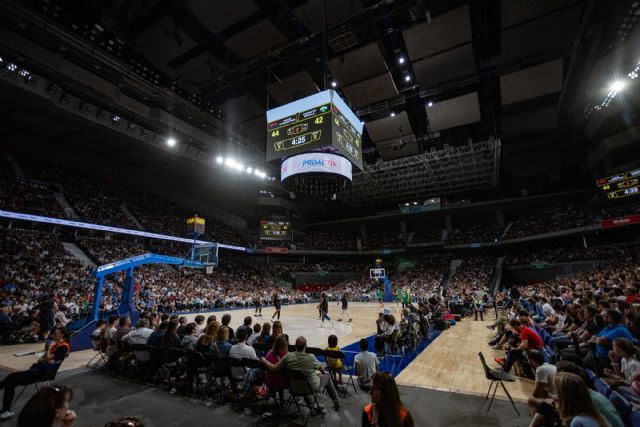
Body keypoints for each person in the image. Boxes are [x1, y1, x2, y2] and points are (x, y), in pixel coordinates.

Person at [0, 327, 71, 420]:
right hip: (39, 370)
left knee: (11, 380)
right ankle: (6, 410)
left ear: (62, 335)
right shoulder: (58, 344)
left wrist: (48, 349)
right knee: (11, 379)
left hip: (43, 373)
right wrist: (46, 357)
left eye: (56, 333)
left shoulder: (63, 346)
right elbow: (42, 359)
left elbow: (47, 358)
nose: (53, 335)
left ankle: (6, 410)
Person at [261, 336, 341, 411]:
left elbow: (274, 368)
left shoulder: (288, 356)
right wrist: (325, 373)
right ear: (305, 346)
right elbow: (323, 370)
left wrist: (264, 361)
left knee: (302, 380)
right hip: (309, 387)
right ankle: (336, 401)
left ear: (295, 346)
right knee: (326, 377)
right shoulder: (311, 357)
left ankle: (313, 407)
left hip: (294, 387)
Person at [586, 309, 633, 376]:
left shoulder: (619, 330)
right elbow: (595, 337)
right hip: (597, 353)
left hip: (609, 359)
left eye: (604, 316)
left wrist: (597, 340)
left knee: (585, 362)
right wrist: (597, 340)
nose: (602, 318)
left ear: (610, 318)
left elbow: (600, 341)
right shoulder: (608, 327)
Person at [525, 350, 557, 427]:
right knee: (541, 398)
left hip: (556, 401)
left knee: (531, 400)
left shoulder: (540, 370)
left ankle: (537, 424)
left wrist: (543, 398)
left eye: (528, 359)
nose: (528, 362)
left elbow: (535, 394)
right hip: (556, 396)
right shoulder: (549, 365)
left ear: (531, 360)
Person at [265, 335, 289, 406]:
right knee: (282, 375)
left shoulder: (269, 353)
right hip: (282, 382)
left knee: (275, 376)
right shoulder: (286, 355)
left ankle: (272, 392)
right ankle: (281, 399)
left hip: (269, 381)